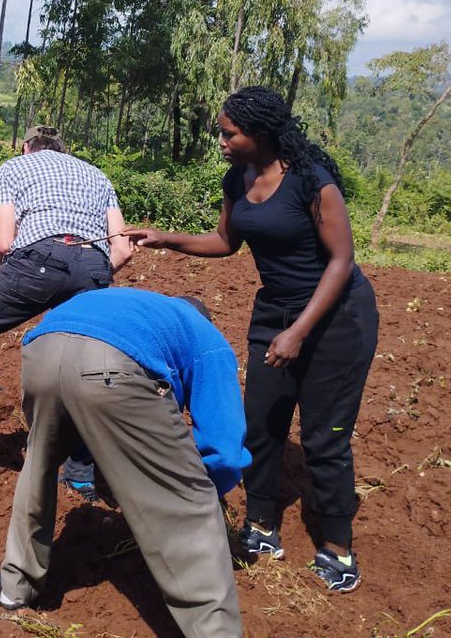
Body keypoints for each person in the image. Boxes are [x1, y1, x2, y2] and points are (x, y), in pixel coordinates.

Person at [125, 86, 378, 594]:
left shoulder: (312, 181)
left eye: (229, 132)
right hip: (275, 311)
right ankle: (261, 525)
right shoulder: (236, 179)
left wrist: (299, 333)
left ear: (258, 133)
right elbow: (226, 241)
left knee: (323, 438)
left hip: (335, 317)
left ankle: (338, 546)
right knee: (260, 424)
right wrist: (165, 239)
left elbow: (341, 261)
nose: (220, 140)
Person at [0, 288, 248, 638]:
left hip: (41, 350)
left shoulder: (143, 310)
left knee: (38, 466)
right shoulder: (207, 338)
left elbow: (83, 414)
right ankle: (215, 631)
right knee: (191, 502)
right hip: (109, 365)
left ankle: (14, 587)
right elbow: (224, 447)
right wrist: (207, 489)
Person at [0, 124, 132, 488]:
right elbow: (123, 247)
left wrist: (23, 278)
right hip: (94, 267)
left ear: (26, 147)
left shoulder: (13, 167)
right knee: (75, 368)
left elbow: (6, 242)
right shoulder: (98, 176)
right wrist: (90, 275)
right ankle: (81, 477)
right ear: (63, 149)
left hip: (39, 258)